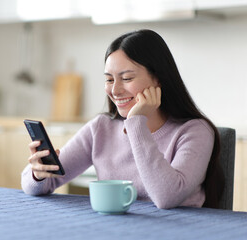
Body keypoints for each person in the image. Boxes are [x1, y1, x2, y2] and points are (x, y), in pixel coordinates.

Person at [21, 29, 224, 209]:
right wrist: (38, 173)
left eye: (127, 78)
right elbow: (36, 185)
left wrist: (136, 123)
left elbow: (166, 198)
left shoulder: (195, 131)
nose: (115, 90)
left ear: (159, 79)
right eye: (109, 79)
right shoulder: (101, 128)